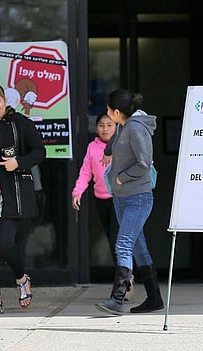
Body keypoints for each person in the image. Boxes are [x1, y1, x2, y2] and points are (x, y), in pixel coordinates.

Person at [0, 82, 45, 316]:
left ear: (5, 101)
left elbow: (39, 152)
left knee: (3, 242)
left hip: (10, 194)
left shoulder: (19, 123)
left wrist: (18, 163)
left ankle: (21, 277)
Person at [95, 89, 163, 316]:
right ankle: (154, 298)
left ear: (116, 112)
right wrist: (107, 151)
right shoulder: (125, 126)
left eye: (108, 110)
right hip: (122, 197)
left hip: (137, 197)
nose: (106, 113)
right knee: (138, 246)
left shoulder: (135, 128)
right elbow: (116, 141)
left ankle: (117, 300)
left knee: (123, 244)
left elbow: (144, 163)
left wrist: (121, 177)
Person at [71, 114, 135, 300]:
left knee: (118, 242)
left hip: (120, 199)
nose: (105, 129)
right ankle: (126, 277)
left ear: (116, 127)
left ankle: (124, 283)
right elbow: (85, 172)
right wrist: (77, 192)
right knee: (111, 240)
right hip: (101, 200)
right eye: (101, 125)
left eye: (109, 125)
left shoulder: (122, 145)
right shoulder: (92, 147)